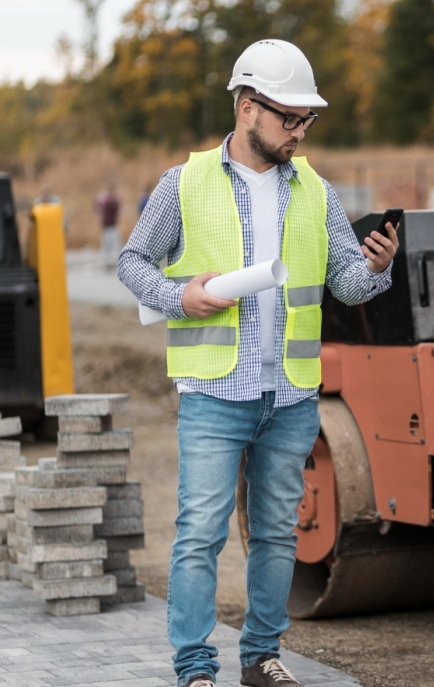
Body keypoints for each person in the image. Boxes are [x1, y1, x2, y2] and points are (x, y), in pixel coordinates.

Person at [117, 39, 399, 687]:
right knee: (199, 535)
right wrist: (176, 295)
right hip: (215, 390)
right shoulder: (182, 183)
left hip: (291, 395)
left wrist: (375, 269)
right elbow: (132, 261)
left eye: (307, 120)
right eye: (289, 118)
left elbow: (346, 284)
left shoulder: (316, 192)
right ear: (247, 108)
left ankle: (261, 656)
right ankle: (194, 667)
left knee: (276, 534)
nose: (300, 131)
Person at [95, 183, 121, 267]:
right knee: (113, 244)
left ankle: (106, 261)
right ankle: (109, 261)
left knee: (108, 245)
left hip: (107, 225)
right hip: (109, 225)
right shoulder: (108, 200)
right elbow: (115, 207)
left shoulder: (102, 198)